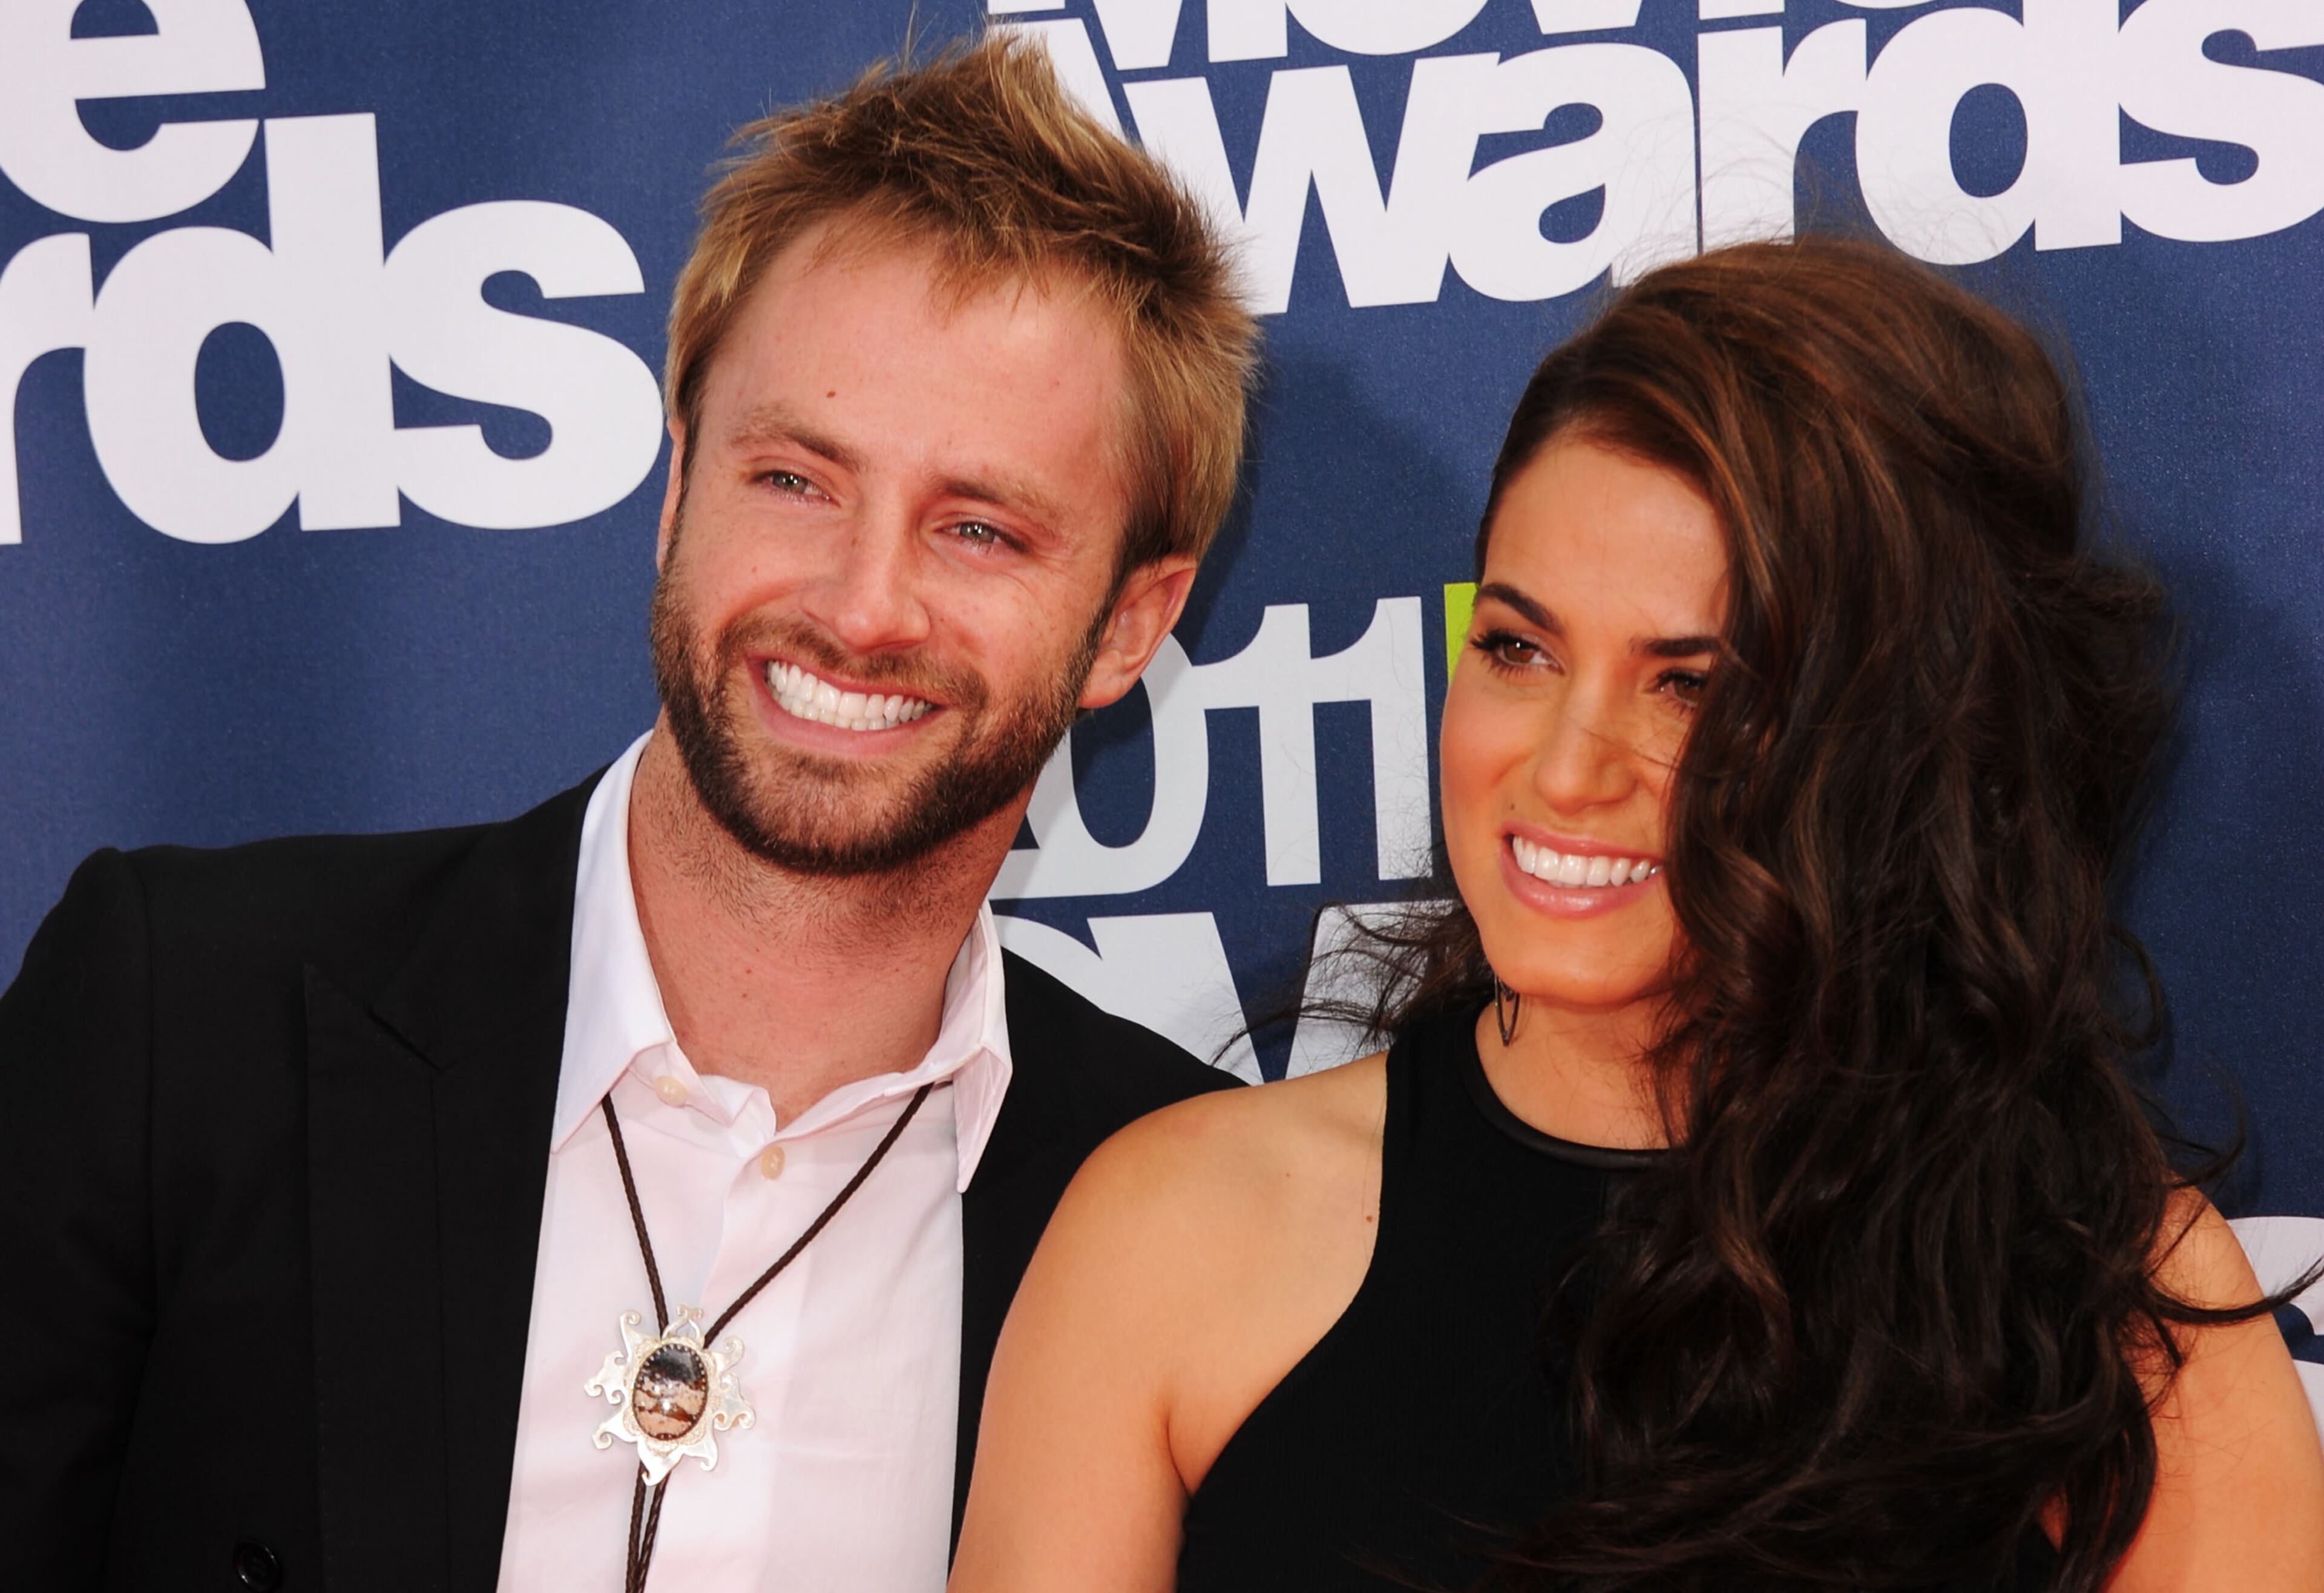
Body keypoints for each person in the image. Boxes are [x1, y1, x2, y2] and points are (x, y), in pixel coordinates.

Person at [0, 35, 1256, 1593]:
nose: (862, 608)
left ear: (1132, 625)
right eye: (796, 480)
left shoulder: (1189, 1207)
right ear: (678, 488)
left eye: (981, 527)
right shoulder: (185, 1018)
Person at [950, 238, 2324, 1592]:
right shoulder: (1172, 1233)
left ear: (1903, 736)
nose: (1561, 767)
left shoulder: (2121, 1307)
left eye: (1694, 686)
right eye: (1518, 647)